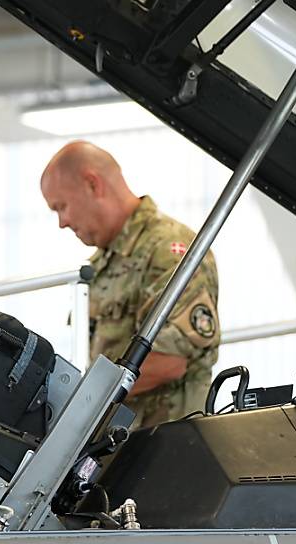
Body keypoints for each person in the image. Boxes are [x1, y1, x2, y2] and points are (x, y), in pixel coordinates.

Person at [41, 140, 221, 428]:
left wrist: (80, 403)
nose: (62, 222)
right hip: (122, 441)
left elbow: (168, 361)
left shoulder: (168, 249)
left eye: (61, 207)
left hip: (168, 443)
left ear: (92, 184)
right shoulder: (104, 262)